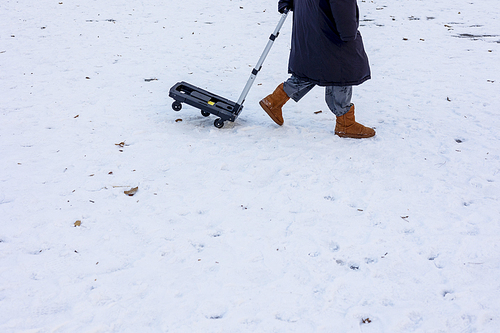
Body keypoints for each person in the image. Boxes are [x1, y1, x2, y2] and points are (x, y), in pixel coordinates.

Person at [259, 0, 375, 138]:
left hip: (309, 19)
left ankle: (274, 101)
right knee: (341, 70)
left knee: (311, 66)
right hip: (328, 25)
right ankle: (345, 123)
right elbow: (343, 5)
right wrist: (349, 34)